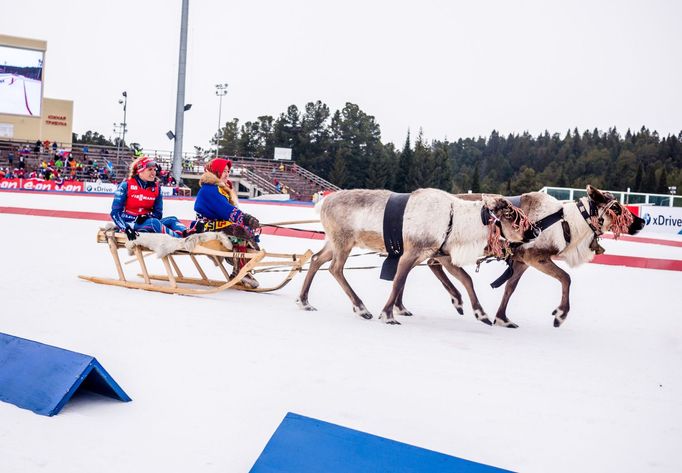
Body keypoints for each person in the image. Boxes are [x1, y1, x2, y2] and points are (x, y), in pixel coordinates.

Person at [194, 157, 261, 287]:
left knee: (246, 230)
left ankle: (240, 267)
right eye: (224, 171)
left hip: (219, 226)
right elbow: (226, 211)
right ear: (216, 172)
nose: (227, 174)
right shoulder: (209, 189)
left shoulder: (221, 188)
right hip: (206, 228)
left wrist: (248, 222)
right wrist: (246, 219)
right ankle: (240, 270)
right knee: (239, 231)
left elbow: (229, 212)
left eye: (228, 171)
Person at [110, 156, 190, 240]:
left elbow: (158, 213)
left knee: (172, 219)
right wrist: (126, 228)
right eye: (149, 170)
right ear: (140, 171)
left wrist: (147, 216)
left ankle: (188, 234)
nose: (153, 173)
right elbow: (115, 213)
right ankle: (180, 241)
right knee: (154, 223)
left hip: (146, 222)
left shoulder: (156, 188)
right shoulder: (126, 185)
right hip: (129, 223)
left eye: (154, 170)